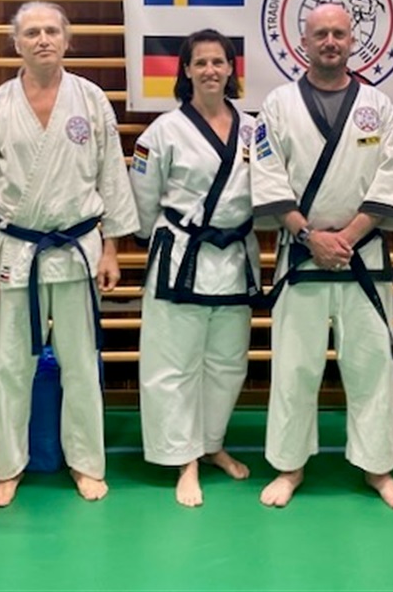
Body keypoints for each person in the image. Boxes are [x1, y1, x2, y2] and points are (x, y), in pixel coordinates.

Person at [0, 1, 139, 507]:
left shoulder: (91, 99)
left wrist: (112, 248)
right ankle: (8, 467)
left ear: (66, 39)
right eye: (31, 32)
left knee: (81, 364)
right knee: (13, 366)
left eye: (52, 30)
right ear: (16, 43)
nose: (43, 40)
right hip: (17, 251)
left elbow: (112, 175)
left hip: (79, 249)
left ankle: (86, 463)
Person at [250, 3, 393, 510]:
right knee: (294, 368)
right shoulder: (278, 104)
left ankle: (377, 467)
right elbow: (267, 174)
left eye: (338, 33)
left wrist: (347, 236)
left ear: (352, 41)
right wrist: (309, 236)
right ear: (303, 42)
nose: (329, 41)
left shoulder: (377, 105)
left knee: (370, 366)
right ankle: (289, 466)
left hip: (362, 256)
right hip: (302, 257)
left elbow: (391, 175)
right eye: (320, 33)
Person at [130, 29, 258, 507]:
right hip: (182, 255)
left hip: (235, 254)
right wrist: (153, 238)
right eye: (200, 62)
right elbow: (144, 198)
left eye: (218, 62)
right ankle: (182, 459)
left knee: (227, 361)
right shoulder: (162, 132)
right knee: (173, 363)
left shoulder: (253, 130)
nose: (210, 70)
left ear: (231, 69)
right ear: (186, 70)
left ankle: (211, 444)